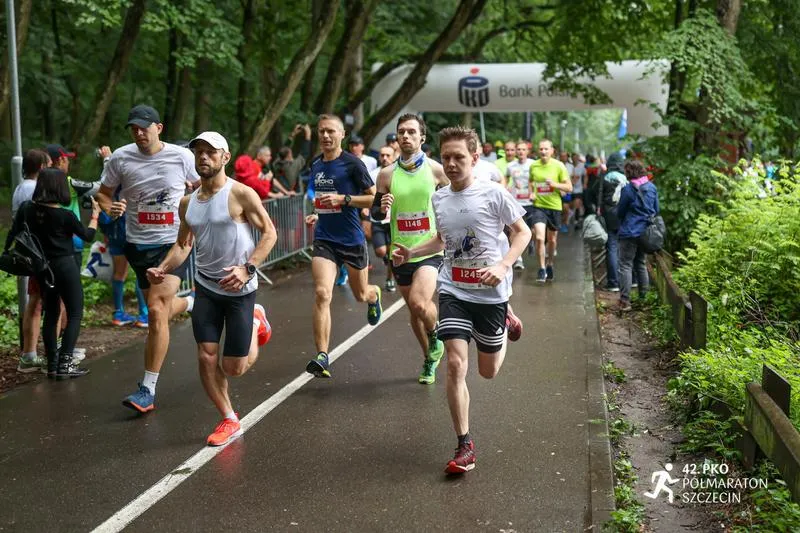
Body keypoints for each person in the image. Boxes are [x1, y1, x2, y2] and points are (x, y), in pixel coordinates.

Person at [392, 125, 531, 474]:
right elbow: (441, 240)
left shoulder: (494, 194)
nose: (451, 164)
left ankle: (505, 320)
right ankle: (464, 444)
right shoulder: (440, 197)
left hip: (491, 294)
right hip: (453, 288)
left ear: (475, 157)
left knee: (488, 372)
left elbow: (522, 232)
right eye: (447, 157)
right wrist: (410, 252)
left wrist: (503, 264)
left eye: (459, 157)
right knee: (455, 365)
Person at [146, 132, 276, 446]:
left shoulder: (241, 194)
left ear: (225, 158)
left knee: (234, 368)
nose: (203, 157)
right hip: (206, 288)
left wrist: (247, 269)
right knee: (206, 357)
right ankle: (229, 418)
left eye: (210, 152)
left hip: (240, 291)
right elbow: (183, 245)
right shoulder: (188, 203)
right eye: (198, 152)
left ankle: (256, 321)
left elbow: (269, 233)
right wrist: (163, 267)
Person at [96, 104, 199, 413]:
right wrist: (109, 206)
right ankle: (193, 302)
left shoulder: (182, 157)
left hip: (175, 243)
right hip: (137, 245)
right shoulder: (120, 158)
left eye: (144, 127)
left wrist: (196, 209)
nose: (139, 132)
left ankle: (147, 390)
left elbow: (207, 185)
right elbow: (103, 193)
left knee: (155, 312)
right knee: (163, 311)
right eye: (134, 128)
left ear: (159, 128)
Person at [304, 114, 382, 378]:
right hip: (325, 238)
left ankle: (374, 296)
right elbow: (321, 199)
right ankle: (322, 355)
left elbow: (374, 200)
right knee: (322, 293)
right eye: (321, 131)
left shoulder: (353, 164)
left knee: (361, 294)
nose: (325, 136)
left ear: (342, 134)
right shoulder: (316, 164)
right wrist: (318, 212)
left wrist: (344, 199)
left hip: (351, 239)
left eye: (331, 132)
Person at [373, 114, 448, 384]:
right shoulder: (386, 174)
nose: (405, 136)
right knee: (414, 310)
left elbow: (454, 199)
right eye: (401, 132)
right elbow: (375, 210)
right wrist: (380, 208)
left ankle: (436, 334)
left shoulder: (436, 170)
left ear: (422, 138)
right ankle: (429, 358)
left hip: (429, 249)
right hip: (399, 251)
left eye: (411, 132)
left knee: (419, 302)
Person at [5, 169, 100, 379]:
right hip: (65, 266)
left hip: (42, 269)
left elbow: (14, 232)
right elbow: (88, 235)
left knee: (51, 313)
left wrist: (6, 252)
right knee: (75, 312)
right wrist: (95, 216)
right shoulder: (65, 215)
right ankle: (65, 364)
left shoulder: (27, 209)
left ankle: (53, 363)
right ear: (60, 188)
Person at [13, 149, 50, 372]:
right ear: (43, 167)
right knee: (42, 303)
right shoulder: (35, 189)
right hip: (39, 252)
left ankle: (29, 354)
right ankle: (44, 355)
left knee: (34, 301)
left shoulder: (20, 187)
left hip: (28, 250)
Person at [616, 159, 657, 311]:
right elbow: (656, 209)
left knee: (625, 265)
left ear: (629, 173)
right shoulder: (652, 188)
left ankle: (625, 301)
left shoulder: (628, 190)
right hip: (645, 232)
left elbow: (620, 211)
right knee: (640, 263)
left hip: (629, 231)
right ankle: (644, 298)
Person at [529, 139, 571, 283]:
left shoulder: (559, 166)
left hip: (554, 207)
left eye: (546, 149)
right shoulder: (533, 166)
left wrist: (555, 184)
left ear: (552, 151)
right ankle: (541, 268)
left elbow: (569, 187)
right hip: (538, 206)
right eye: (541, 149)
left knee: (552, 240)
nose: (543, 151)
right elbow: (531, 181)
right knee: (540, 237)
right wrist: (531, 192)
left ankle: (550, 264)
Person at [585, 152, 627, 292]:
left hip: (609, 217)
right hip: (625, 217)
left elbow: (592, 192)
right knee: (626, 248)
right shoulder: (626, 178)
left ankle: (613, 283)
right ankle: (629, 281)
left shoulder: (605, 177)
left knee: (612, 247)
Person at [369, 145, 397, 292]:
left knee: (392, 253)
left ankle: (389, 279)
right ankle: (387, 258)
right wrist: (366, 207)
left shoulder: (398, 174)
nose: (385, 158)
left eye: (388, 155)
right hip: (378, 219)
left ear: (394, 157)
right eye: (382, 155)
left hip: (393, 221)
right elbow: (367, 192)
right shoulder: (373, 174)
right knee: (381, 251)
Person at [506, 140, 535, 270]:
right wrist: (506, 187)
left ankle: (531, 242)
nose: (521, 152)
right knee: (515, 231)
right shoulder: (511, 166)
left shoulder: (533, 165)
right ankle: (518, 259)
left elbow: (537, 180)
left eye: (523, 149)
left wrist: (533, 191)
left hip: (531, 202)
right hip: (516, 202)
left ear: (527, 151)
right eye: (519, 150)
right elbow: (506, 179)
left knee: (533, 230)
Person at [559, 151, 575, 233]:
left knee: (565, 208)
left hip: (566, 191)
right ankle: (558, 223)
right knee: (559, 209)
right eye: (562, 156)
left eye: (565, 156)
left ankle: (564, 224)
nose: (563, 158)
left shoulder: (570, 166)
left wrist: (568, 187)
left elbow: (572, 178)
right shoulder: (556, 165)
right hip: (557, 190)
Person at [571, 153, 586, 229]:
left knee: (577, 204)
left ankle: (577, 221)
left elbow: (585, 175)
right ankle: (571, 217)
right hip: (569, 189)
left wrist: (585, 184)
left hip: (578, 189)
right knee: (570, 206)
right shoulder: (569, 166)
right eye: (574, 158)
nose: (575, 159)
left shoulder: (582, 166)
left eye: (577, 158)